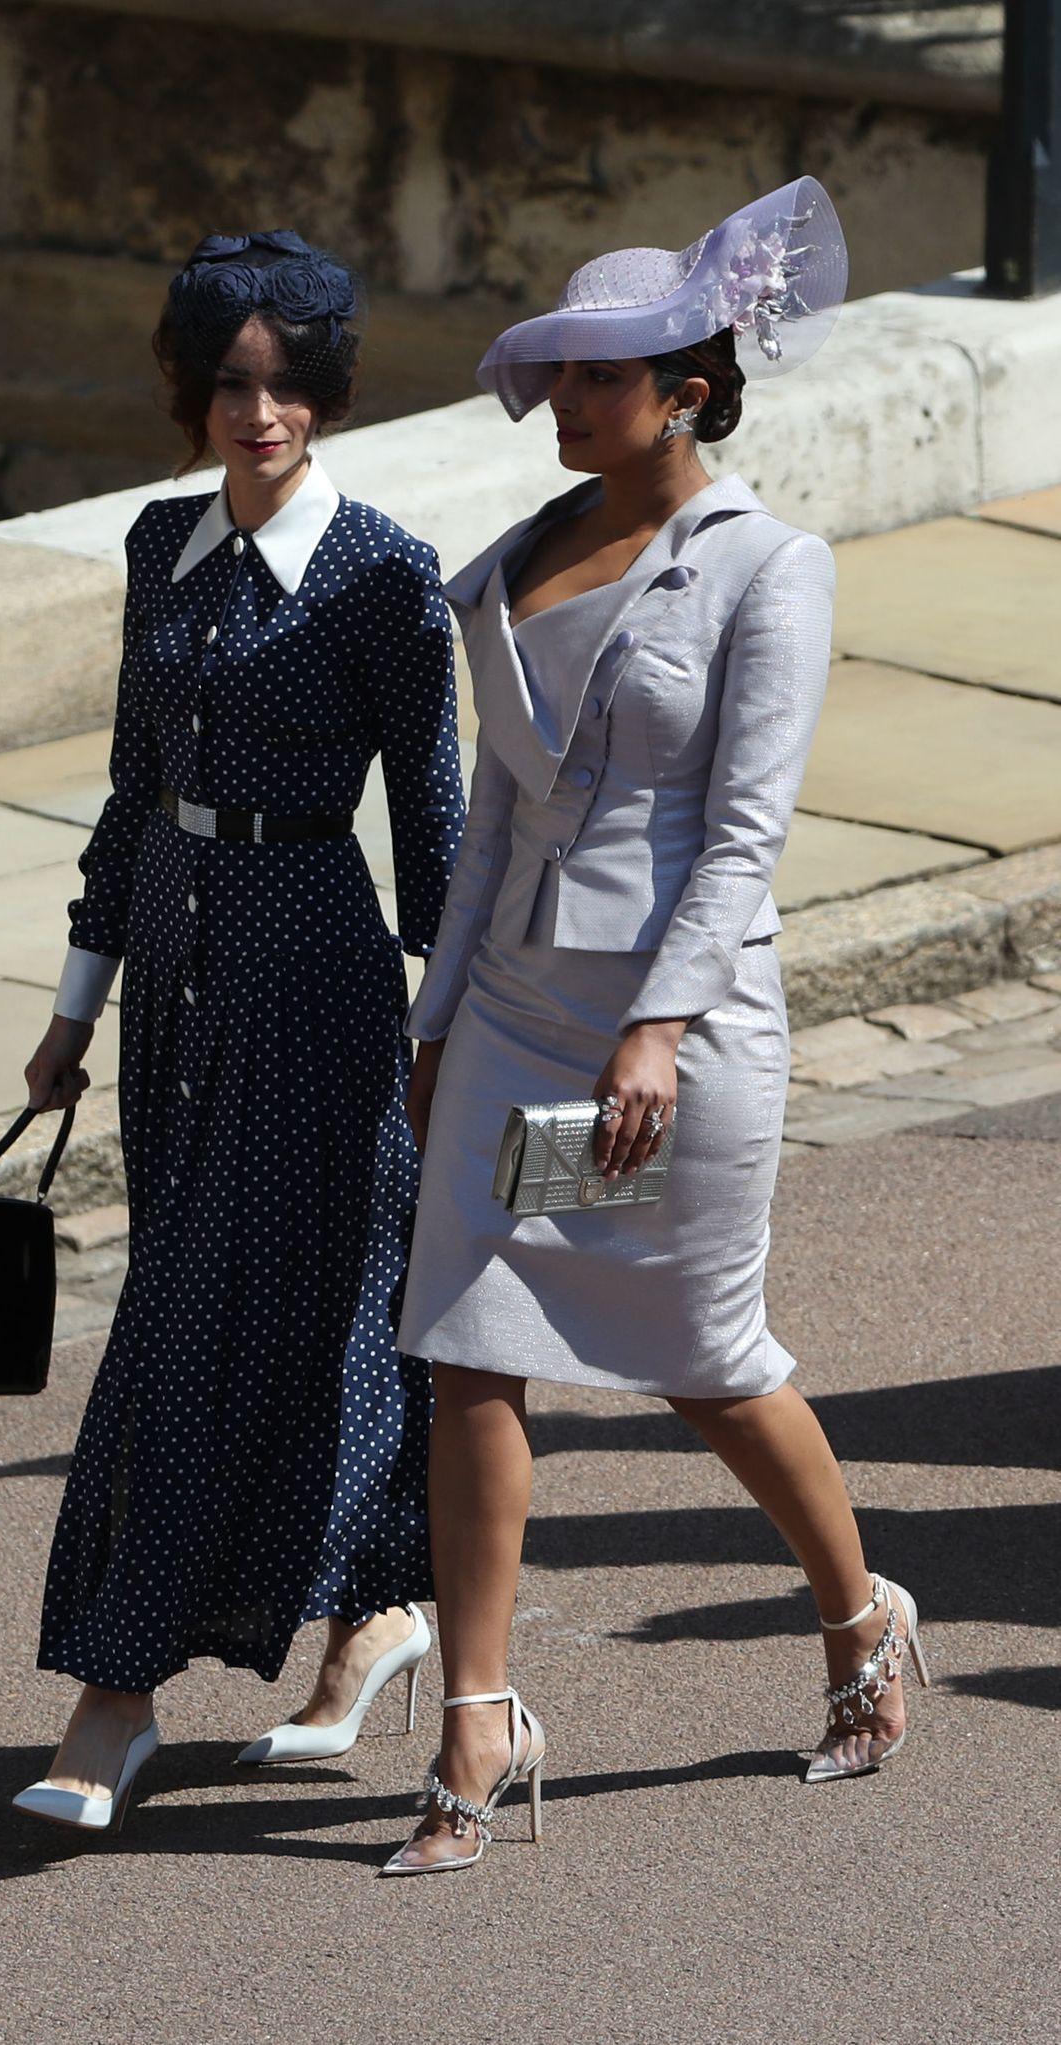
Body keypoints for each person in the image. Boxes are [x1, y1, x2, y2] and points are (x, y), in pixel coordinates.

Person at [382, 179, 929, 1877]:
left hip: (669, 1035)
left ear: (686, 385)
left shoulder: (769, 566)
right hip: (516, 1015)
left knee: (703, 1361)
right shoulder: (514, 565)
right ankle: (478, 1720)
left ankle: (858, 1616)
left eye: (594, 376)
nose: (561, 401)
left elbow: (744, 832)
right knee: (467, 1345)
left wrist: (659, 1030)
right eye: (553, 374)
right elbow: (487, 819)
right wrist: (438, 1007)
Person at [12, 230, 465, 1832]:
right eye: (225, 380)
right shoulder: (157, 547)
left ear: (327, 391)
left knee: (208, 1320)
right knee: (257, 1311)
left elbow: (436, 835)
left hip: (320, 986)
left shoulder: (387, 576)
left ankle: (113, 1690)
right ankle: (376, 1612)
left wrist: (454, 1039)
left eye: (283, 382)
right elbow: (133, 792)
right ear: (188, 387)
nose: (254, 410)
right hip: (174, 986)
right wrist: (74, 1004)